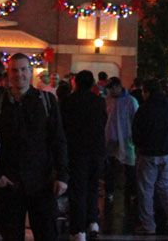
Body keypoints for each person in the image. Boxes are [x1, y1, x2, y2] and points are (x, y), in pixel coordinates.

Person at [0, 53, 68, 241]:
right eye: (14, 70)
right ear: (8, 73)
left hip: (42, 182)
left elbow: (58, 140)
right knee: (11, 235)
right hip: (10, 182)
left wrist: (62, 176)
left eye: (23, 69)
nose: (18, 74)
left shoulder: (46, 101)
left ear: (30, 72)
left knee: (47, 234)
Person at [131, 78, 168, 236]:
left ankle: (148, 225)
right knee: (166, 186)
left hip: (148, 153)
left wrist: (139, 145)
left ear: (147, 92)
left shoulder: (145, 109)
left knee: (146, 189)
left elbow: (136, 131)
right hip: (166, 153)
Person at [60, 70, 106, 241]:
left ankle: (78, 230)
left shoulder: (68, 102)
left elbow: (62, 128)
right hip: (96, 150)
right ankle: (92, 221)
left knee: (77, 190)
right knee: (93, 187)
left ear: (76, 82)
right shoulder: (99, 102)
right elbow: (103, 122)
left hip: (76, 151)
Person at [103, 76, 138, 204]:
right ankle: (109, 191)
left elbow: (136, 120)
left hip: (126, 139)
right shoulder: (108, 100)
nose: (111, 91)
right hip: (110, 139)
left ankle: (132, 193)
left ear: (118, 86)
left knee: (129, 167)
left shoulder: (130, 101)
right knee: (110, 167)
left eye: (112, 88)